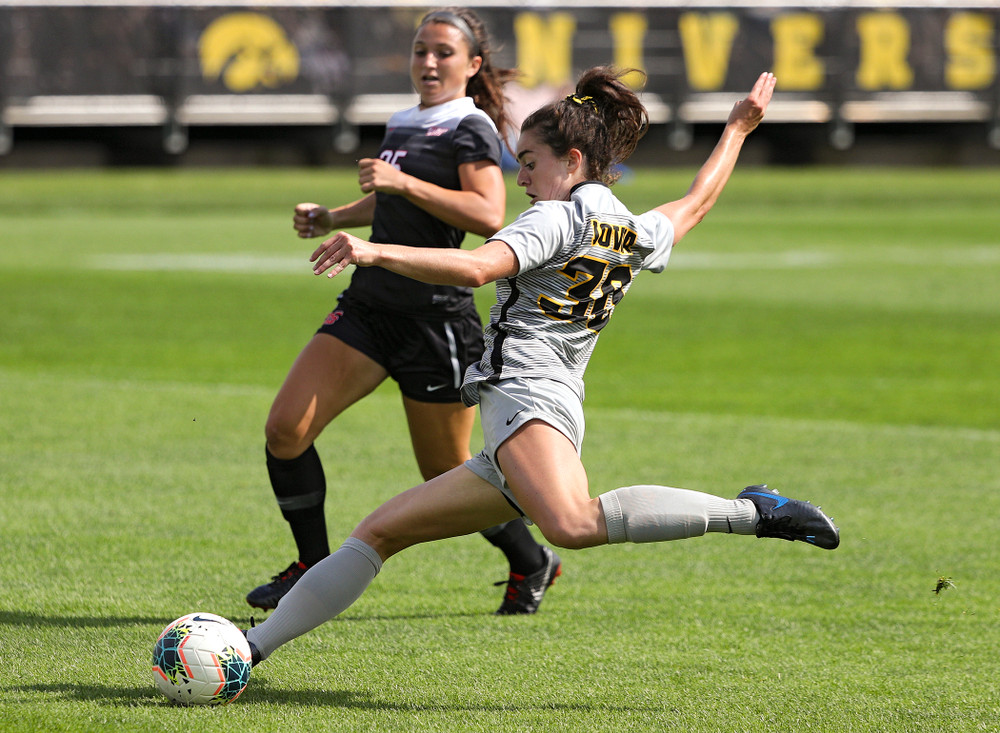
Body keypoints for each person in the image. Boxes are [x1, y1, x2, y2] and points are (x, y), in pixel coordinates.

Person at [243, 67, 839, 666]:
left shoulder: (555, 218)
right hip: (535, 413)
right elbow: (695, 204)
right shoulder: (632, 230)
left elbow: (477, 268)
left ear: (572, 159)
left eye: (529, 162)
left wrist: (373, 250)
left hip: (527, 400)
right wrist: (738, 128)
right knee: (378, 533)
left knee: (571, 524)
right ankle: (248, 651)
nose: (521, 178)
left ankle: (751, 512)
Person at [248, 7, 561, 617]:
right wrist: (334, 218)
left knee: (445, 471)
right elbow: (395, 207)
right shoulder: (405, 121)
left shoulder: (470, 127)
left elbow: (485, 214)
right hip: (368, 307)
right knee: (285, 431)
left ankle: (531, 558)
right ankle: (311, 567)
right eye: (420, 51)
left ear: (471, 66)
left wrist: (402, 185)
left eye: (443, 52)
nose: (428, 62)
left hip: (434, 322)